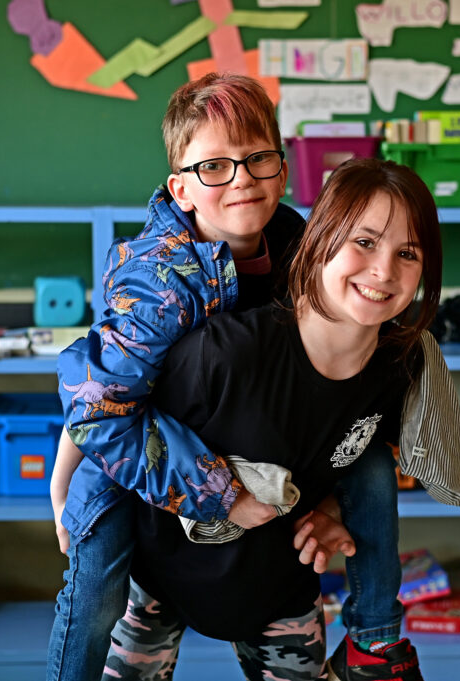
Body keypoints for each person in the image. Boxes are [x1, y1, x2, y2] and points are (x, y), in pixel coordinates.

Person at [48, 72, 422, 681]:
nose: (242, 177)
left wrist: (330, 500)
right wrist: (63, 489)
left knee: (374, 464)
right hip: (139, 464)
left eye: (257, 159)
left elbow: (347, 400)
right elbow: (98, 405)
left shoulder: (304, 247)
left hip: (264, 503)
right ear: (181, 189)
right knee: (95, 595)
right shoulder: (159, 277)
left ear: (282, 166)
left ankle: (375, 643)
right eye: (214, 166)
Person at [104, 157, 442, 680]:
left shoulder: (399, 365)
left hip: (282, 589)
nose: (384, 271)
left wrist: (334, 508)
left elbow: (364, 452)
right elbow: (116, 419)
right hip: (156, 582)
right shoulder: (224, 354)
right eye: (365, 242)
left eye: (408, 253)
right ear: (321, 240)